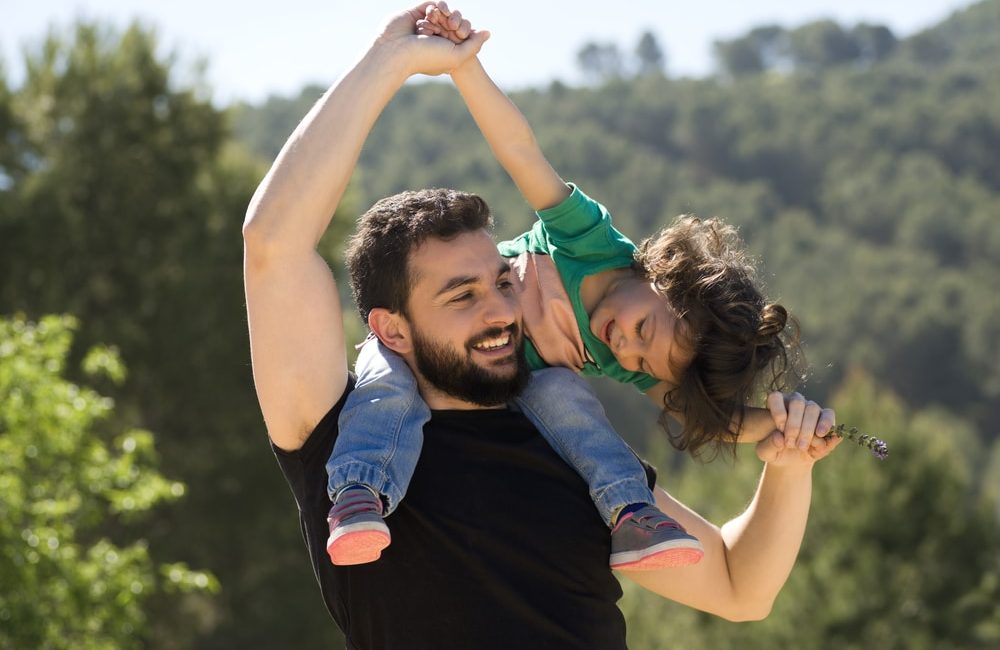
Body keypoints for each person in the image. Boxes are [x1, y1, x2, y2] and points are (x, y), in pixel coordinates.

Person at [243, 4, 841, 648]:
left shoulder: (577, 447)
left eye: (503, 280)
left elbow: (738, 588)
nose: (501, 309)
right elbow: (274, 244)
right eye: (461, 295)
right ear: (392, 331)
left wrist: (787, 465)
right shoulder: (342, 434)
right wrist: (391, 59)